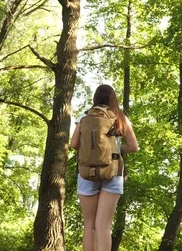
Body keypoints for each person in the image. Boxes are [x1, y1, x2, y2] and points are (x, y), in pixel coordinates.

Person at [70, 84, 139, 251]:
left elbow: (74, 145)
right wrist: (113, 151)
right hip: (113, 173)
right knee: (104, 225)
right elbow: (134, 146)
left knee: (89, 225)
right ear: (112, 98)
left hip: (87, 173)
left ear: (95, 98)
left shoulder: (85, 116)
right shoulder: (120, 117)